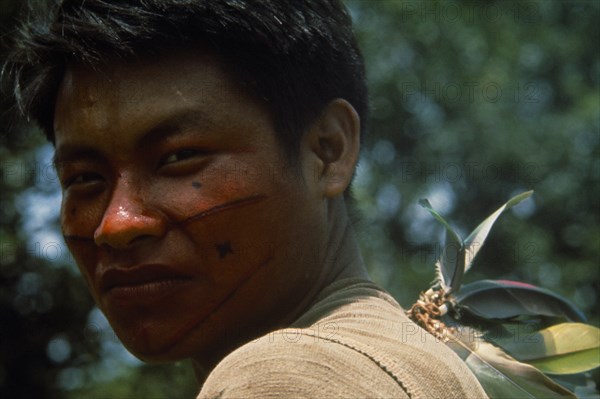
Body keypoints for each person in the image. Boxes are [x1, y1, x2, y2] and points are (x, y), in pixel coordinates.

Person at [5, 1, 487, 397]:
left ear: (327, 151)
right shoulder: (406, 365)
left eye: (178, 158)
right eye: (85, 179)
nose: (117, 223)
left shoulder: (286, 379)